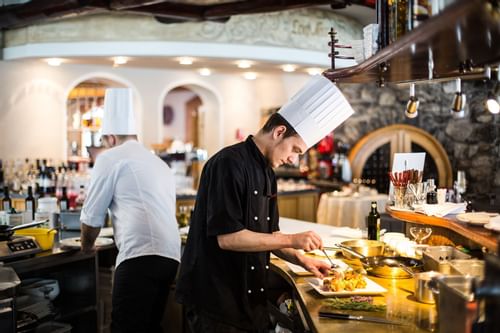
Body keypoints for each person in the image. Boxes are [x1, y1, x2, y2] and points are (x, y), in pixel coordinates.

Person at [175, 74, 355, 332]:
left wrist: (303, 260)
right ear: (279, 132)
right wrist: (293, 240)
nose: (294, 159)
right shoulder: (228, 164)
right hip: (216, 301)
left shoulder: (268, 172)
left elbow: (269, 235)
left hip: (249, 297)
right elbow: (228, 238)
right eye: (295, 150)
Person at [80, 88, 181, 333]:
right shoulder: (158, 162)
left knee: (125, 327)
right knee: (150, 326)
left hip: (140, 257)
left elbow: (92, 215)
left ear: (111, 137)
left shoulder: (110, 158)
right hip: (171, 257)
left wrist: (85, 247)